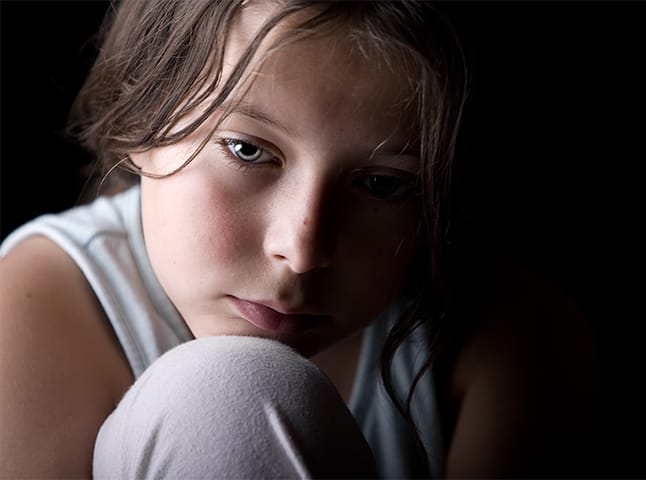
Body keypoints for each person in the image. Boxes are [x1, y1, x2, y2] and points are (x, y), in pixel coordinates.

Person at [0, 0, 599, 478]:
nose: (304, 249)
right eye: (248, 150)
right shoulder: (35, 302)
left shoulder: (511, 339)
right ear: (140, 119)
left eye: (383, 185)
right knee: (224, 395)